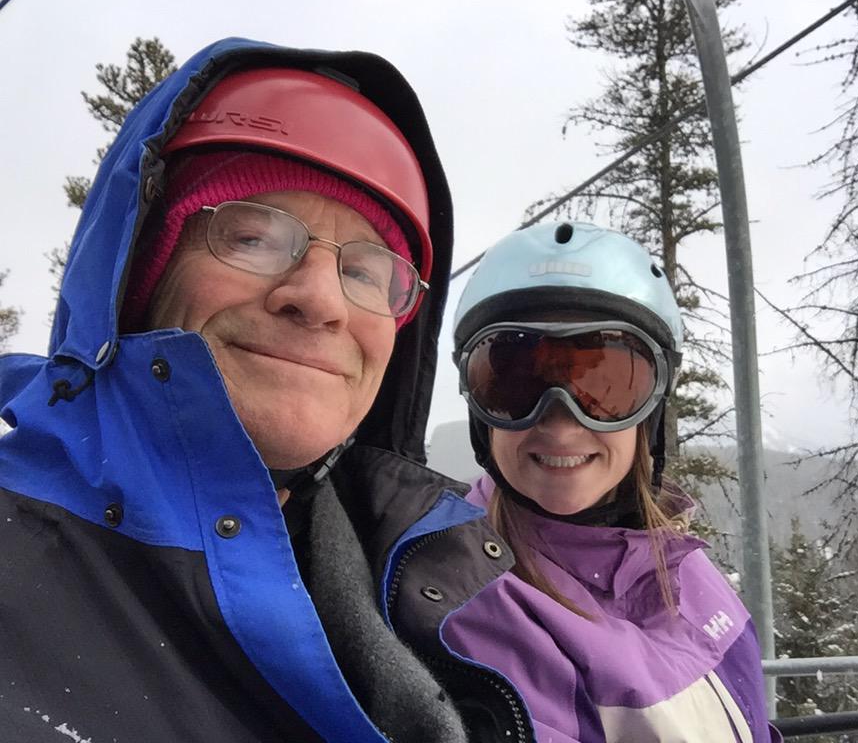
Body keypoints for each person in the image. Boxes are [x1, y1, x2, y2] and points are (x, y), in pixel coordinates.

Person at [0, 38, 533, 743]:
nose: (320, 300)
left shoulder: (428, 581)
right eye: (251, 236)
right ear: (134, 281)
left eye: (369, 271)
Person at [443, 221, 781, 743]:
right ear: (478, 412)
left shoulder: (679, 564)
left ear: (652, 409)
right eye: (513, 383)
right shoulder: (467, 609)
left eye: (604, 383)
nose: (560, 421)